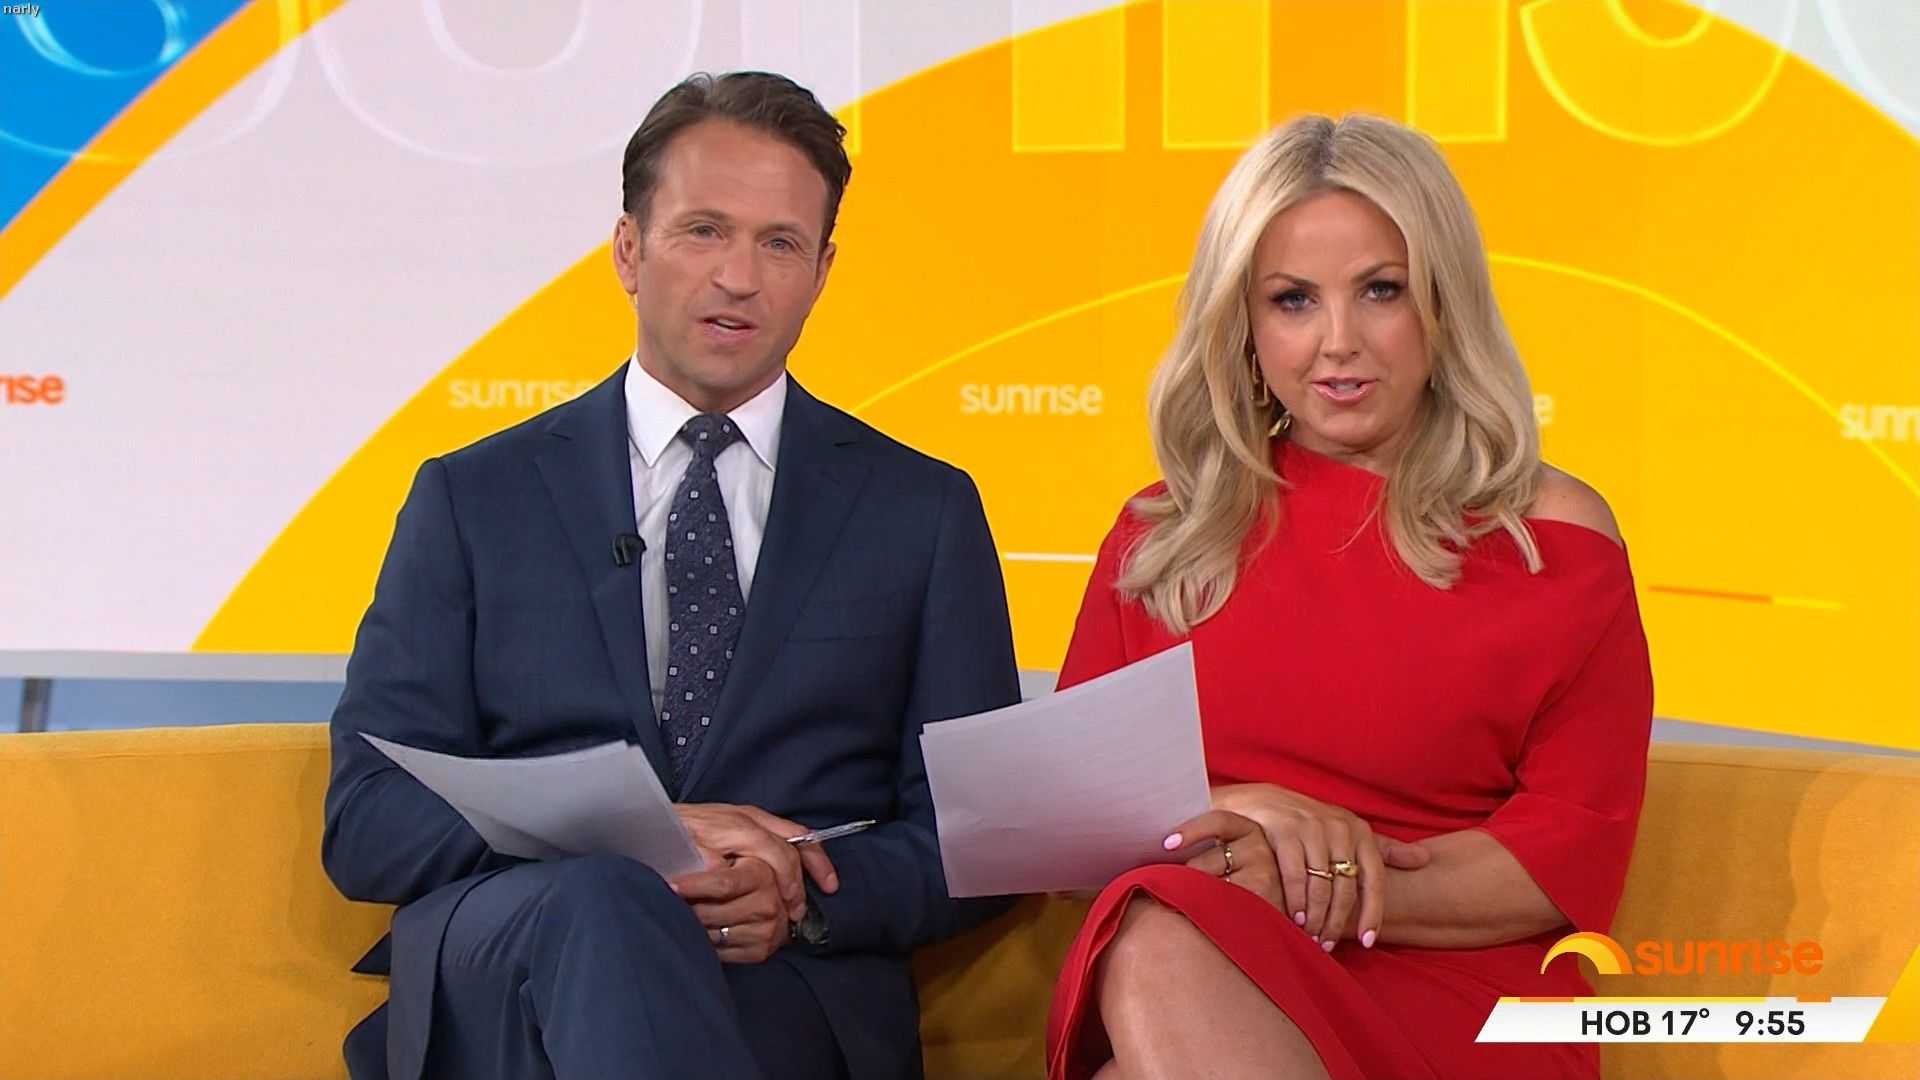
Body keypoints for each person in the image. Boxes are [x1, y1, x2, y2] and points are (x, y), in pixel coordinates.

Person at [322, 71, 1020, 1080]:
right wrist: (627, 843)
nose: (739, 276)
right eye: (703, 230)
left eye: (779, 243)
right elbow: (368, 818)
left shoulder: (922, 511)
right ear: (627, 250)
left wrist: (802, 889)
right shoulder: (473, 498)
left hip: (784, 982)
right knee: (609, 901)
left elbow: (979, 839)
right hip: (520, 967)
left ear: (822, 271)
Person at [1044, 113, 1653, 1080]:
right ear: (1244, 328)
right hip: (1201, 958)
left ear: (1443, 303)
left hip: (1459, 990)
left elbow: (1568, 855)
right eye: (1292, 300)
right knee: (1161, 932)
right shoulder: (1163, 537)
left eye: (1380, 290)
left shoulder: (1553, 537)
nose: (1339, 343)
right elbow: (1068, 829)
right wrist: (1237, 812)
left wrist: (1316, 879)